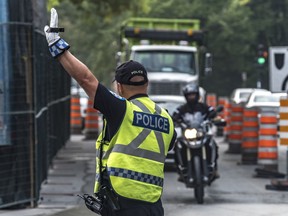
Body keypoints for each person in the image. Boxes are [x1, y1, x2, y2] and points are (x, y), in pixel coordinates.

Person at [44, 8, 176, 216]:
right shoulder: (167, 118)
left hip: (123, 206)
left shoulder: (122, 109)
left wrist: (56, 45)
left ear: (120, 87)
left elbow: (86, 79)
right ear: (147, 84)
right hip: (154, 207)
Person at [172, 83, 219, 177]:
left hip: (201, 132)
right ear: (186, 96)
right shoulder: (182, 109)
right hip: (187, 134)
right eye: (189, 95)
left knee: (212, 144)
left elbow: (212, 111)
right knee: (178, 146)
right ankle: (181, 167)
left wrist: (213, 116)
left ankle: (213, 166)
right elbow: (175, 115)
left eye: (193, 94)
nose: (191, 97)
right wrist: (174, 120)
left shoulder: (203, 107)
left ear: (197, 95)